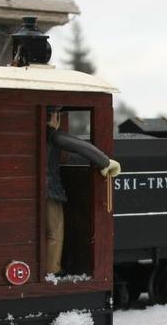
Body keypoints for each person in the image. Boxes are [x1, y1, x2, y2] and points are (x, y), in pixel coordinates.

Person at [46, 106, 121, 275]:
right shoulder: (52, 134)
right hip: (49, 191)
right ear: (53, 117)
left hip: (40, 191)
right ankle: (52, 270)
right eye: (56, 115)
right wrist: (105, 162)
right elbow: (79, 145)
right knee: (55, 232)